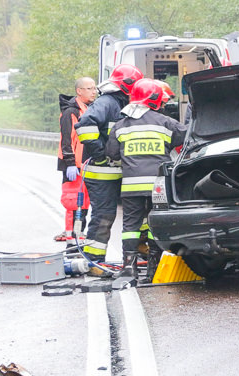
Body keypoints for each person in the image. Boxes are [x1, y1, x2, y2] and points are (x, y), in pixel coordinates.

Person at [106, 78, 187, 282]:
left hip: (131, 186)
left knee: (130, 226)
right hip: (157, 185)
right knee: (155, 224)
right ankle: (154, 267)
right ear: (156, 100)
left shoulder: (120, 126)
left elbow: (113, 154)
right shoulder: (166, 122)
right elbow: (185, 139)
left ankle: (129, 267)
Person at [74, 64, 143, 269]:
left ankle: (139, 254)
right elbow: (84, 125)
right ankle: (94, 262)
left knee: (136, 212)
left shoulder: (125, 104)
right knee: (104, 216)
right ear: (127, 85)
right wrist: (100, 155)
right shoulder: (107, 102)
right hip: (102, 172)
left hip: (120, 171)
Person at [55, 76, 97, 241]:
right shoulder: (70, 112)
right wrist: (70, 163)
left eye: (94, 88)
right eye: (89, 88)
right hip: (73, 166)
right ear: (79, 91)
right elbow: (66, 140)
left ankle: (78, 235)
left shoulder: (87, 108)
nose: (94, 91)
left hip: (84, 165)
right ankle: (71, 238)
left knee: (83, 203)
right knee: (73, 203)